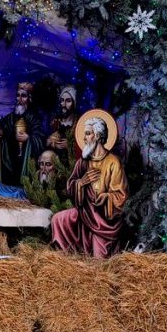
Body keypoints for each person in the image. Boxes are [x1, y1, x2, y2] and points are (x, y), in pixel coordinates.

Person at [51, 111, 128, 259]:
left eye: (87, 134)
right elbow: (70, 186)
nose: (84, 138)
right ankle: (65, 259)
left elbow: (121, 195)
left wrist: (106, 197)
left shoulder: (113, 162)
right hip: (84, 213)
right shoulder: (83, 162)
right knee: (58, 219)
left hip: (103, 220)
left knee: (98, 261)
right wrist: (81, 183)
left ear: (97, 136)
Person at [0, 81, 46, 186]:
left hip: (26, 161)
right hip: (11, 161)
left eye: (23, 96)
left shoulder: (35, 119)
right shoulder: (8, 119)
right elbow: (3, 135)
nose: (20, 99)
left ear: (29, 98)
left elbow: (40, 139)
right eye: (18, 95)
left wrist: (28, 138)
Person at [48, 85, 80, 160]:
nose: (64, 104)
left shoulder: (79, 122)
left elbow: (84, 145)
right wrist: (52, 142)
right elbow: (47, 141)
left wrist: (70, 145)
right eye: (62, 100)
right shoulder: (55, 121)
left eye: (68, 101)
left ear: (74, 103)